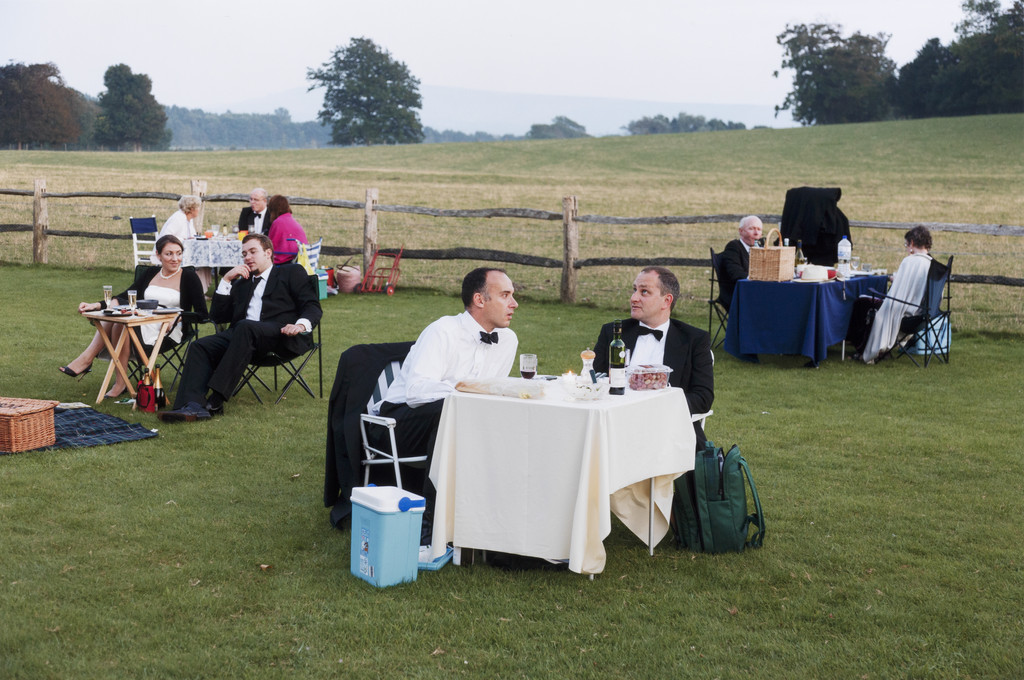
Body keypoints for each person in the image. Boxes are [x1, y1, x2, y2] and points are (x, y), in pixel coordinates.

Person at [375, 267, 519, 544]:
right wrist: (465, 391)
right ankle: (429, 526)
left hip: (462, 421)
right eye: (505, 295)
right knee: (451, 410)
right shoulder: (442, 331)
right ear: (480, 300)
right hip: (399, 424)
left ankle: (493, 520)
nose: (514, 304)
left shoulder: (508, 340)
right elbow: (416, 392)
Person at [157, 233, 322, 422]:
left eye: (253, 252)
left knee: (244, 327)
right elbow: (218, 318)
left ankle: (216, 400)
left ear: (268, 253)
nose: (247, 257)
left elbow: (312, 306)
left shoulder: (290, 272)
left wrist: (301, 325)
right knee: (200, 346)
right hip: (242, 338)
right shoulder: (242, 282)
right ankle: (190, 406)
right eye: (244, 254)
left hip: (280, 335)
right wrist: (226, 281)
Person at [60, 235, 208, 398]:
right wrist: (95, 305)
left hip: (167, 328)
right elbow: (125, 296)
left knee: (120, 324)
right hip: (141, 318)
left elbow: (202, 314)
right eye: (169, 254)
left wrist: (178, 317)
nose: (175, 259)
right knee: (116, 315)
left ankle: (103, 371)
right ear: (158, 255)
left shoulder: (189, 277)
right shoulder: (151, 273)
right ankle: (109, 375)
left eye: (179, 253)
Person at [593, 266, 714, 446]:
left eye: (644, 292)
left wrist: (656, 408)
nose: (634, 298)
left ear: (666, 301)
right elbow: (594, 380)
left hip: (668, 433)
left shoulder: (694, 340)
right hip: (614, 429)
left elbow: (703, 397)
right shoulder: (612, 333)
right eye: (635, 290)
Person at [849, 226, 934, 364]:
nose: (907, 249)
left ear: (912, 243)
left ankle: (865, 349)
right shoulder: (932, 263)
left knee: (862, 303)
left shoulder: (910, 261)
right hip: (923, 315)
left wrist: (895, 281)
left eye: (906, 245)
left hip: (907, 315)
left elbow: (897, 292)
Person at [717, 215, 763, 310]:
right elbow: (735, 273)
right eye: (752, 228)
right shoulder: (733, 247)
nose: (756, 233)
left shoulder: (760, 248)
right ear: (741, 231)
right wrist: (756, 279)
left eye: (759, 229)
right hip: (736, 293)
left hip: (757, 290)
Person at [151, 195, 201, 263]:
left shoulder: (189, 220)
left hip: (183, 251)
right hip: (171, 253)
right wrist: (184, 240)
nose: (199, 209)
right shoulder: (179, 218)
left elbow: (192, 236)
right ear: (192, 209)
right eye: (198, 207)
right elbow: (166, 237)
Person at [265, 194, 308, 265]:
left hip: (287, 261)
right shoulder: (291, 219)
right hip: (300, 258)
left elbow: (270, 245)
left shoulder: (278, 222)